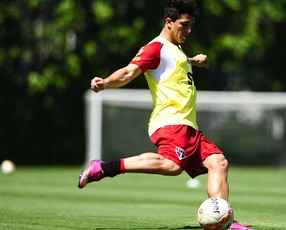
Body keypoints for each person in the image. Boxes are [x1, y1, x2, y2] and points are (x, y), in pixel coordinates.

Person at [78, 0, 251, 229]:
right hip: (170, 122)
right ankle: (104, 168)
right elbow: (130, 71)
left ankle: (225, 222)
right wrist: (106, 82)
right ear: (168, 22)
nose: (188, 31)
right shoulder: (155, 48)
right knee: (171, 166)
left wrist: (192, 61)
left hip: (189, 126)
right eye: (184, 25)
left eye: (191, 26)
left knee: (218, 162)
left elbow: (172, 64)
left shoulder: (176, 51)